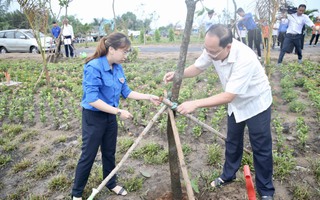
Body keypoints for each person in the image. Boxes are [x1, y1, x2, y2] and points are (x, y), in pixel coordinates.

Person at [163, 24, 275, 200]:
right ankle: (228, 175)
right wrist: (178, 74)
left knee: (261, 147)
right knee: (232, 141)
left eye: (213, 51)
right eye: (206, 49)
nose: (209, 54)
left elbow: (228, 96)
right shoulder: (212, 50)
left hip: (256, 103)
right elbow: (198, 67)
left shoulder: (245, 58)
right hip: (236, 104)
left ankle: (266, 190)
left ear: (228, 47)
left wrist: (196, 103)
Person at [71, 32, 161, 200]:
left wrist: (149, 96)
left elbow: (126, 92)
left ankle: (111, 183)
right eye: (124, 51)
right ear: (111, 49)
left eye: (127, 52)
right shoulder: (94, 66)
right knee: (88, 155)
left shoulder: (118, 67)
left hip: (110, 117)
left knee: (109, 152)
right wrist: (119, 112)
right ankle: (76, 193)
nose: (125, 55)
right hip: (94, 118)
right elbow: (92, 99)